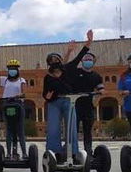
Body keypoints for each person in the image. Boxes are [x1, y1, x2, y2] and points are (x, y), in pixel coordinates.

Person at [42, 29, 94, 159]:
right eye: (52, 60)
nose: (54, 62)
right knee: (53, 128)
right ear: (49, 63)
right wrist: (46, 96)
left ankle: (73, 152)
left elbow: (80, 56)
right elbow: (45, 93)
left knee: (71, 128)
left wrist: (88, 42)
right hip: (54, 103)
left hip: (68, 101)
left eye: (56, 59)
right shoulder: (48, 77)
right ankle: (55, 153)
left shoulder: (67, 69)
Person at [0, 55, 28, 158]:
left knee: (20, 129)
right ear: (8, 70)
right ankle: (9, 153)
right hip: (7, 105)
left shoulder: (21, 80)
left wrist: (18, 95)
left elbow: (24, 93)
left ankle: (24, 153)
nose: (12, 70)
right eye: (10, 69)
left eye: (14, 69)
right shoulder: (5, 80)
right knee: (9, 129)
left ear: (17, 70)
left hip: (18, 104)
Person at [70, 51, 104, 154]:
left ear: (93, 61)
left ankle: (88, 151)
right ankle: (72, 151)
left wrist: (100, 92)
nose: (88, 61)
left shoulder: (96, 76)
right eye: (86, 59)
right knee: (73, 130)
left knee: (87, 131)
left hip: (88, 106)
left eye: (90, 59)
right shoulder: (75, 72)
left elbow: (101, 88)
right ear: (82, 61)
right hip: (75, 106)